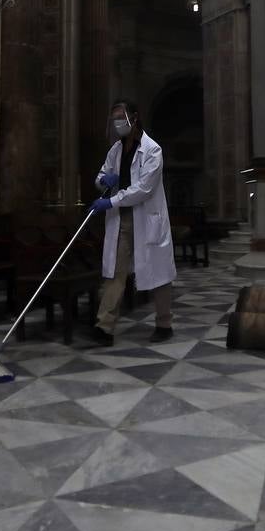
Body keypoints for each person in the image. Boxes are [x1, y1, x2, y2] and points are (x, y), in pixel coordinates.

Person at [89, 100, 176, 346]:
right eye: (114, 118)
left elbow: (143, 189)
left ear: (134, 118)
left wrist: (111, 201)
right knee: (115, 272)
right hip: (121, 220)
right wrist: (104, 180)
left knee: (158, 272)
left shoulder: (152, 150)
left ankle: (164, 323)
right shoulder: (115, 150)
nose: (117, 123)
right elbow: (100, 175)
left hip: (146, 218)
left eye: (121, 117)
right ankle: (104, 326)